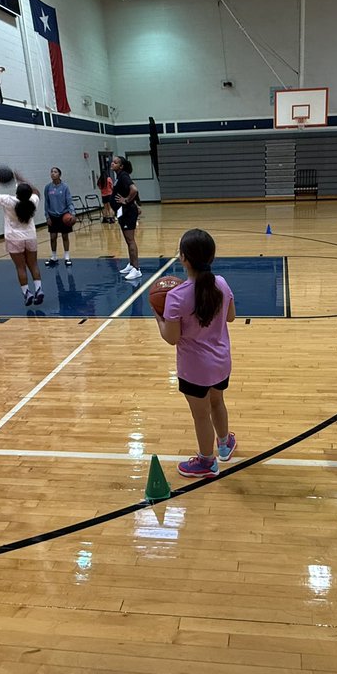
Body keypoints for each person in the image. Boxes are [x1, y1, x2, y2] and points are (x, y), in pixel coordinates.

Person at [154, 228, 237, 478]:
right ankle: (224, 445)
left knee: (201, 416)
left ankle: (207, 461)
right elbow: (231, 317)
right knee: (217, 402)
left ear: (184, 259)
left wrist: (158, 318)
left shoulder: (176, 296)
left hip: (194, 370)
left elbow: (171, 338)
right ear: (211, 257)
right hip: (221, 362)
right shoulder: (221, 283)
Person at [0, 166, 43, 305]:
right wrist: (22, 178)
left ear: (16, 192)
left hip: (13, 238)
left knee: (20, 267)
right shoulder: (33, 201)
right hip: (30, 236)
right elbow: (36, 191)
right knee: (33, 265)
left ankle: (27, 293)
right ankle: (39, 289)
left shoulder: (8, 200)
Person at [111, 155, 142, 280]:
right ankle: (131, 264)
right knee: (127, 240)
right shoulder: (119, 177)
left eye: (115, 162)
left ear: (121, 166)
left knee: (130, 240)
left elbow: (134, 189)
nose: (112, 164)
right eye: (112, 162)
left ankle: (136, 269)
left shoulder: (123, 176)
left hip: (128, 212)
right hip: (123, 212)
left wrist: (127, 200)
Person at [42, 166, 76, 267]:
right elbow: (46, 203)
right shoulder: (48, 187)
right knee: (53, 237)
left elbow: (69, 201)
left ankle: (67, 256)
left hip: (63, 214)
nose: (53, 173)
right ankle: (54, 257)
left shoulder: (64, 187)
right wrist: (47, 216)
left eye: (55, 172)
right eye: (51, 172)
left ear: (59, 174)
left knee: (65, 236)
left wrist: (72, 213)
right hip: (52, 215)